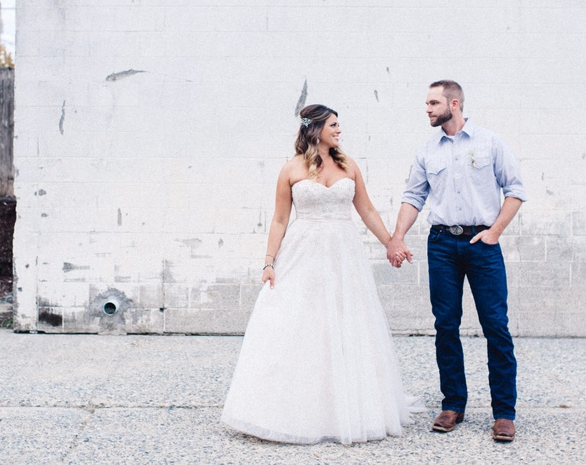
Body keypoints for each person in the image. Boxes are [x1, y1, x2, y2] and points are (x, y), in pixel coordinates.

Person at [221, 104, 420, 445]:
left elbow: (367, 209)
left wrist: (391, 243)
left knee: (343, 324)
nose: (339, 131)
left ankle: (341, 407)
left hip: (343, 256)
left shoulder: (348, 165)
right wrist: (269, 262)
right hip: (303, 254)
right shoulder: (291, 169)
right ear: (315, 129)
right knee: (298, 323)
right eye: (333, 125)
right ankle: (282, 409)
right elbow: (280, 219)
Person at [386, 80, 526, 443]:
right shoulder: (427, 150)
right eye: (426, 103)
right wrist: (397, 236)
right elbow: (413, 196)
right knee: (446, 324)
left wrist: (494, 231)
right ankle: (453, 405)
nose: (428, 109)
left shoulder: (490, 142)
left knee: (496, 325)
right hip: (442, 245)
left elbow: (515, 190)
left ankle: (504, 413)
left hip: (482, 244)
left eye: (433, 103)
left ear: (454, 103)